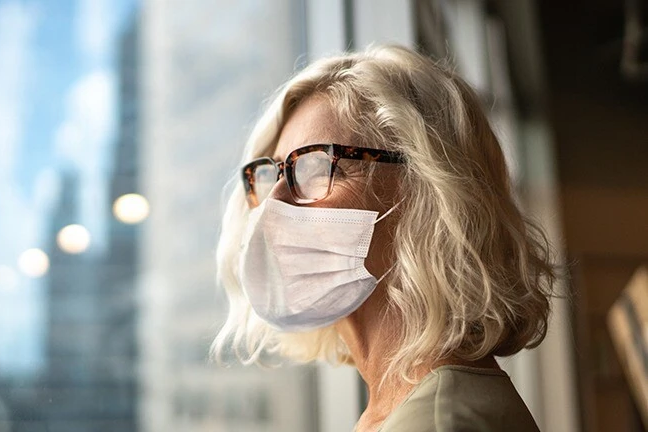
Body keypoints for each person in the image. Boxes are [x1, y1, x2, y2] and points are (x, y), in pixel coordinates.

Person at [212, 45, 554, 432]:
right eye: (272, 174)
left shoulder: (442, 422)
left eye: (316, 168)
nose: (273, 207)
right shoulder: (401, 407)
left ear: (428, 189)